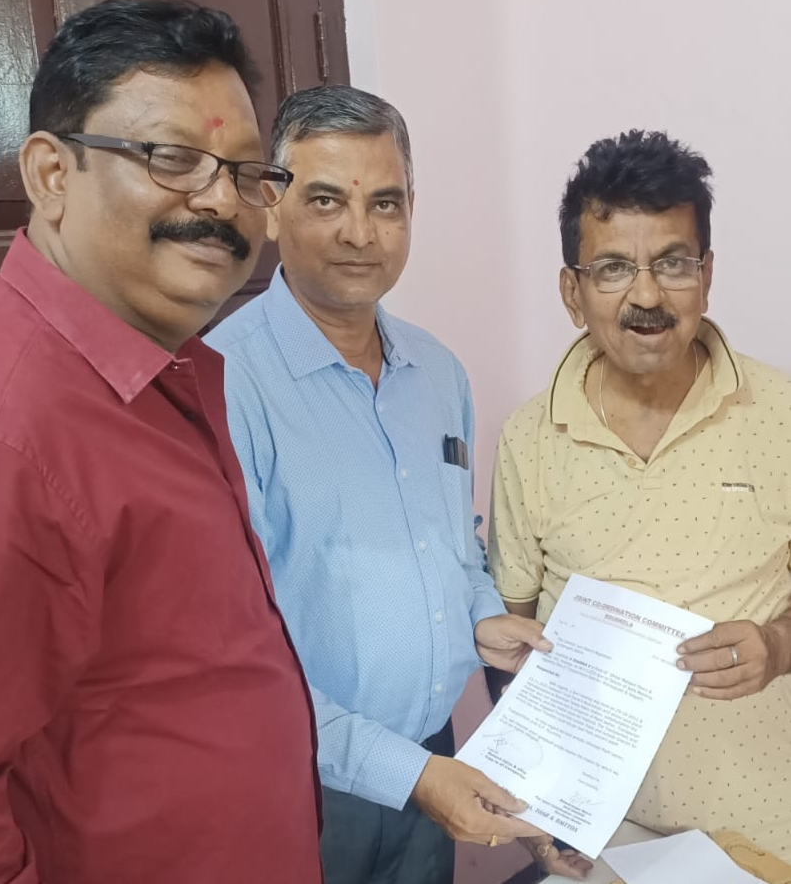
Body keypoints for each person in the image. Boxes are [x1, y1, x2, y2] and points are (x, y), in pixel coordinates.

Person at [0, 0, 322, 883]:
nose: (220, 200)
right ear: (51, 173)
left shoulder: (160, 370)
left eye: (244, 171)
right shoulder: (0, 429)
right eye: (170, 156)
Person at [205, 84, 591, 884]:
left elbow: (454, 544)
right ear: (271, 207)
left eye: (385, 203)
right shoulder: (223, 384)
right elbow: (226, 652)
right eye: (325, 200)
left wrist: (481, 618)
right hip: (295, 784)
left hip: (431, 763)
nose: (360, 232)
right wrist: (409, 775)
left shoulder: (437, 372)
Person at [488, 129, 791, 860]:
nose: (647, 295)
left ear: (706, 275)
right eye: (613, 268)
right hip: (595, 842)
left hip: (764, 832)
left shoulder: (782, 414)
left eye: (673, 263)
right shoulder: (528, 438)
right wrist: (535, 808)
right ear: (572, 292)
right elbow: (507, 644)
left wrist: (776, 646)